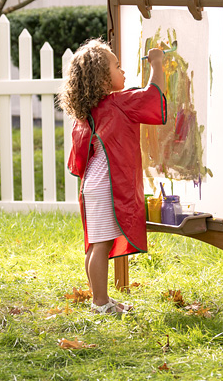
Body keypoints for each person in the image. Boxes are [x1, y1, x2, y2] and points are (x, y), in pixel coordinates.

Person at [58, 39, 167, 314]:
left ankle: (101, 298)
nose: (123, 71)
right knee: (101, 245)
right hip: (105, 186)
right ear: (102, 78)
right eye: (117, 66)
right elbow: (153, 96)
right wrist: (157, 63)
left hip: (91, 185)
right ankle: (100, 302)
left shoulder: (91, 109)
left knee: (96, 244)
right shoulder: (118, 102)